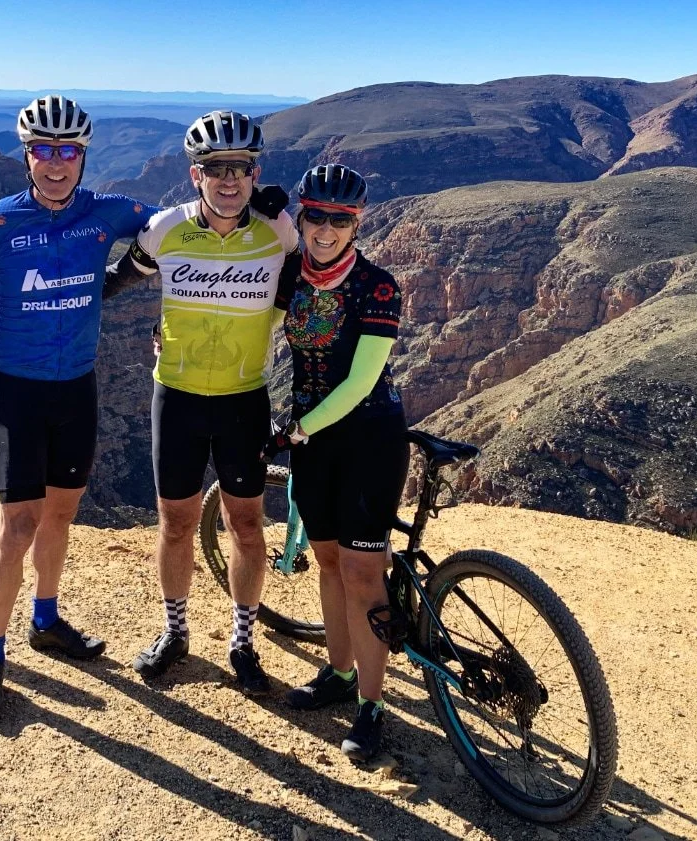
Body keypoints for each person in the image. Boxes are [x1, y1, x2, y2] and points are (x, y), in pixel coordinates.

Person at [0, 95, 160, 718]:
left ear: (84, 156)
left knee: (62, 515)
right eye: (43, 150)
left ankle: (47, 620)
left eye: (68, 151)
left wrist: (258, 209)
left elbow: (181, 225)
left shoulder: (106, 213)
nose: (56, 163)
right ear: (26, 154)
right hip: (17, 388)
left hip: (78, 388)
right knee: (19, 525)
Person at [106, 111, 300, 693]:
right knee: (176, 524)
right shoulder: (166, 229)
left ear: (254, 171)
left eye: (239, 167)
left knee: (246, 523)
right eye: (216, 168)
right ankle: (175, 632)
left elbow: (322, 256)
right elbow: (120, 277)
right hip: (179, 399)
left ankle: (242, 641)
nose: (228, 179)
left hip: (245, 398)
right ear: (196, 174)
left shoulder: (277, 233)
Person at [268, 164, 408, 760]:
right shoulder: (291, 275)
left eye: (339, 219)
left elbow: (359, 381)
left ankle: (372, 706)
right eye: (315, 216)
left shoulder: (378, 286)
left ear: (358, 222)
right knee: (327, 562)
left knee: (362, 576)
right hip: (312, 445)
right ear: (302, 217)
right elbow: (249, 320)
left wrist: (297, 427)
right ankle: (340, 672)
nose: (325, 229)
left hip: (367, 440)